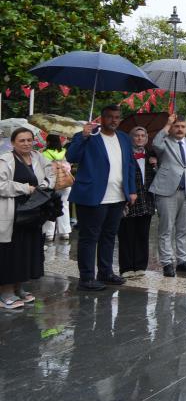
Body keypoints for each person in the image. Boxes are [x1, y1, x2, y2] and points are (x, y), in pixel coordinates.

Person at [67, 105, 137, 291]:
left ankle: (105, 272)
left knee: (109, 236)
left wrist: (132, 190)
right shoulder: (89, 135)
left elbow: (130, 165)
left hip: (117, 195)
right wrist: (83, 136)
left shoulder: (123, 137)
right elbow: (71, 156)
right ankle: (86, 278)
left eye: (117, 117)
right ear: (101, 118)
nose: (114, 120)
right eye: (109, 117)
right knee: (89, 237)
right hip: (92, 196)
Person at [0, 127, 54, 309]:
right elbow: (1, 184)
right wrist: (26, 188)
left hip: (33, 212)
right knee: (10, 252)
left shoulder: (39, 157)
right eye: (22, 140)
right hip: (11, 212)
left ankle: (18, 288)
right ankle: (5, 292)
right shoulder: (5, 159)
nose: (26, 143)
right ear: (13, 142)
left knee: (27, 250)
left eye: (29, 140)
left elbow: (50, 176)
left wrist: (44, 186)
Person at [150, 114, 186, 276]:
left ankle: (182, 260)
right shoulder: (164, 142)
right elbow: (155, 144)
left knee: (184, 229)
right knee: (166, 228)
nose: (180, 129)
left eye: (183, 126)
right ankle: (167, 262)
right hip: (167, 191)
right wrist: (167, 124)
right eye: (177, 126)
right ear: (172, 127)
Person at [118, 126, 157, 275]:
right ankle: (127, 267)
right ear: (131, 138)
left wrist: (155, 165)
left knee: (143, 234)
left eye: (143, 136)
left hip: (146, 201)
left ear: (147, 139)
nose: (140, 138)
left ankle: (140, 266)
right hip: (129, 200)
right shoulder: (124, 155)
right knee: (127, 234)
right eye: (136, 135)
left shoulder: (151, 157)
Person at [41, 134, 71, 242]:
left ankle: (49, 234)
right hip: (65, 182)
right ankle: (65, 232)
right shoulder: (63, 152)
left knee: (50, 206)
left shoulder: (44, 153)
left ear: (48, 142)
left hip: (52, 183)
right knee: (64, 206)